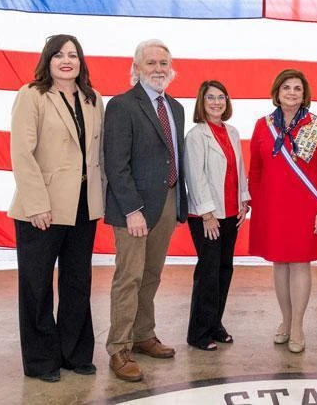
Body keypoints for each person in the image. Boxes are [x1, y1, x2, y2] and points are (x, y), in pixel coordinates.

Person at [9, 34, 104, 382]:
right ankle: (41, 361)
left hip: (83, 206)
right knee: (37, 285)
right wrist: (36, 205)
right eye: (60, 55)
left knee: (78, 281)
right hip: (42, 207)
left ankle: (75, 353)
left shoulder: (93, 100)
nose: (68, 61)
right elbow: (22, 154)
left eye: (74, 55)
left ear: (81, 62)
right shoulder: (32, 95)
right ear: (47, 60)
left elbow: (97, 157)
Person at [103, 39, 187, 382]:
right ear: (136, 68)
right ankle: (118, 348)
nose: (158, 69)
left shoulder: (176, 108)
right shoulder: (122, 106)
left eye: (163, 63)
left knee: (151, 274)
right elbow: (116, 164)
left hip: (166, 202)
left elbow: (174, 158)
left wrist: (180, 203)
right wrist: (132, 210)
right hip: (132, 208)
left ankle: (142, 334)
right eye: (150, 63)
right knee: (129, 276)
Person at [249, 69, 317, 354]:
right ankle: (285, 320)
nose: (292, 93)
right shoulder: (263, 126)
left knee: (300, 263)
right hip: (272, 205)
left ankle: (297, 324)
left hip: (306, 206)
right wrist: (255, 204)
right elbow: (256, 169)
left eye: (297, 88)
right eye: (286, 87)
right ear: (277, 92)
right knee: (279, 264)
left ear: (304, 94)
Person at [184, 80, 250, 351]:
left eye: (221, 97)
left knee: (224, 269)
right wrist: (208, 214)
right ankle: (198, 333)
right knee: (208, 272)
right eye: (210, 97)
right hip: (206, 215)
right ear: (202, 101)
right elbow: (194, 176)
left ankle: (215, 324)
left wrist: (244, 199)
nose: (216, 102)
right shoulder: (196, 135)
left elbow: (239, 168)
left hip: (231, 211)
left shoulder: (231, 131)